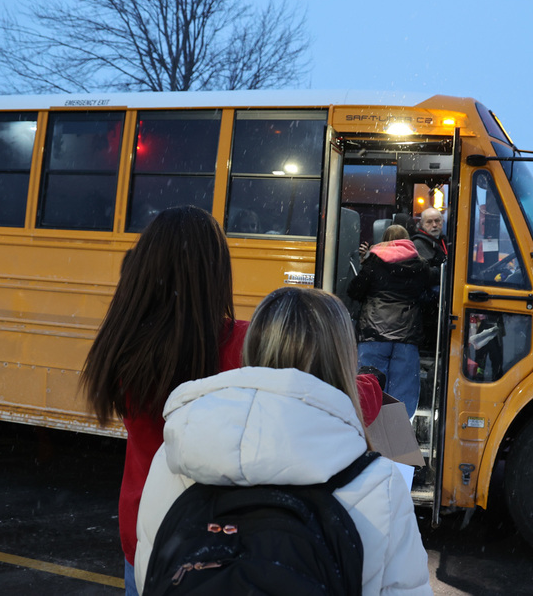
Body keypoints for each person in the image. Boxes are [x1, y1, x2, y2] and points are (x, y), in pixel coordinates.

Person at [134, 287, 432, 595]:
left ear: (252, 348)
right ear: (344, 359)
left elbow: (152, 576)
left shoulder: (176, 457)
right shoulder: (380, 482)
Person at [79, 206, 249, 596]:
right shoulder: (239, 344)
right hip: (215, 535)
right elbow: (322, 393)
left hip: (143, 531)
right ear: (215, 271)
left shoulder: (122, 345)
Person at [348, 224, 431, 418]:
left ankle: (370, 435)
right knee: (403, 394)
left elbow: (354, 291)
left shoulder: (374, 262)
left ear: (384, 240)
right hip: (406, 338)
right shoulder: (421, 266)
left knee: (368, 388)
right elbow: (428, 297)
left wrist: (364, 265)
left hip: (373, 335)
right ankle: (397, 434)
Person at [411, 207, 448, 351]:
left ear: (442, 222)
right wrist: (446, 273)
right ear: (422, 225)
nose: (434, 225)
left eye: (437, 221)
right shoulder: (419, 244)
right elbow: (423, 275)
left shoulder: (442, 241)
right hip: (426, 304)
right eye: (429, 222)